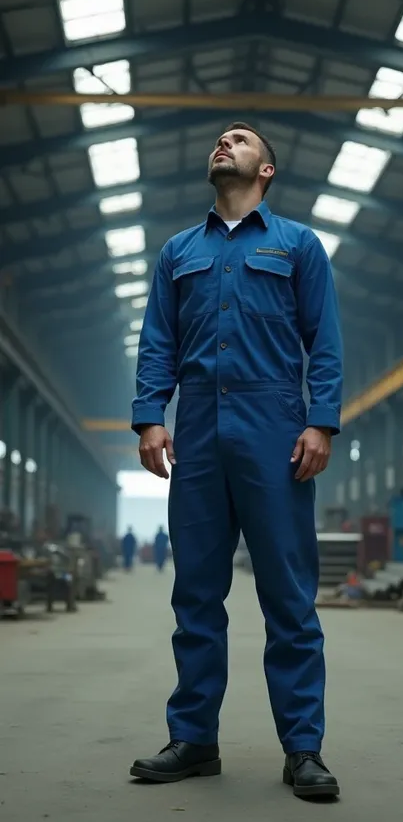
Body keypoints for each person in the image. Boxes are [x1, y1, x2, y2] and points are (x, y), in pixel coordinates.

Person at [130, 122, 343, 799]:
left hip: (273, 426)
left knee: (287, 596)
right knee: (195, 593)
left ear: (266, 170)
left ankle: (303, 748)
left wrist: (320, 420)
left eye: (241, 139)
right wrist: (149, 418)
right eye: (220, 138)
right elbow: (157, 339)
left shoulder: (298, 245)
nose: (225, 142)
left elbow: (325, 339)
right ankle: (194, 738)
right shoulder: (178, 252)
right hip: (197, 426)